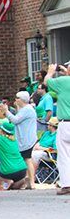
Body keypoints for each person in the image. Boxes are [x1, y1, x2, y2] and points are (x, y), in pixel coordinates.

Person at [0, 90, 37, 189]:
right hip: (24, 138)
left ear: (22, 100)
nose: (15, 100)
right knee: (25, 160)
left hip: (27, 139)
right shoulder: (24, 109)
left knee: (27, 159)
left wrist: (6, 111)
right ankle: (27, 181)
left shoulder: (27, 109)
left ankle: (32, 181)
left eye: (17, 98)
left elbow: (15, 120)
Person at [45, 63, 70, 195]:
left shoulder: (64, 81)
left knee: (64, 155)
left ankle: (67, 185)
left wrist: (50, 71)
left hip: (66, 123)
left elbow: (47, 82)